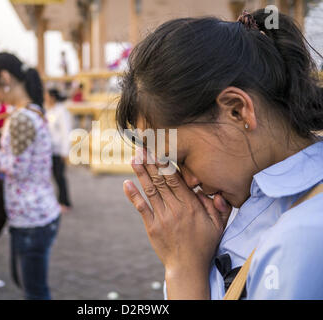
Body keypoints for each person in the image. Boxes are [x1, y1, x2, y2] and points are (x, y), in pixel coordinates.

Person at [117, 10, 323, 299]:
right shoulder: (248, 201)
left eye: (183, 158)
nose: (187, 181)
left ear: (237, 110)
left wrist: (183, 270)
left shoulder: (302, 239)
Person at [0, 52, 61, 300]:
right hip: (39, 214)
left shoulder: (21, 118)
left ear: (5, 78)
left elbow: (14, 167)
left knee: (35, 292)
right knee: (33, 286)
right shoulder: (33, 111)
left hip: (31, 219)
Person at [45, 88, 73, 212]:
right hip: (49, 149)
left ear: (52, 97)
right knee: (52, 177)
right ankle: (56, 200)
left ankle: (64, 201)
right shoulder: (48, 110)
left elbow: (65, 131)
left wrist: (64, 151)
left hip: (59, 150)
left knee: (59, 176)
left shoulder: (61, 111)